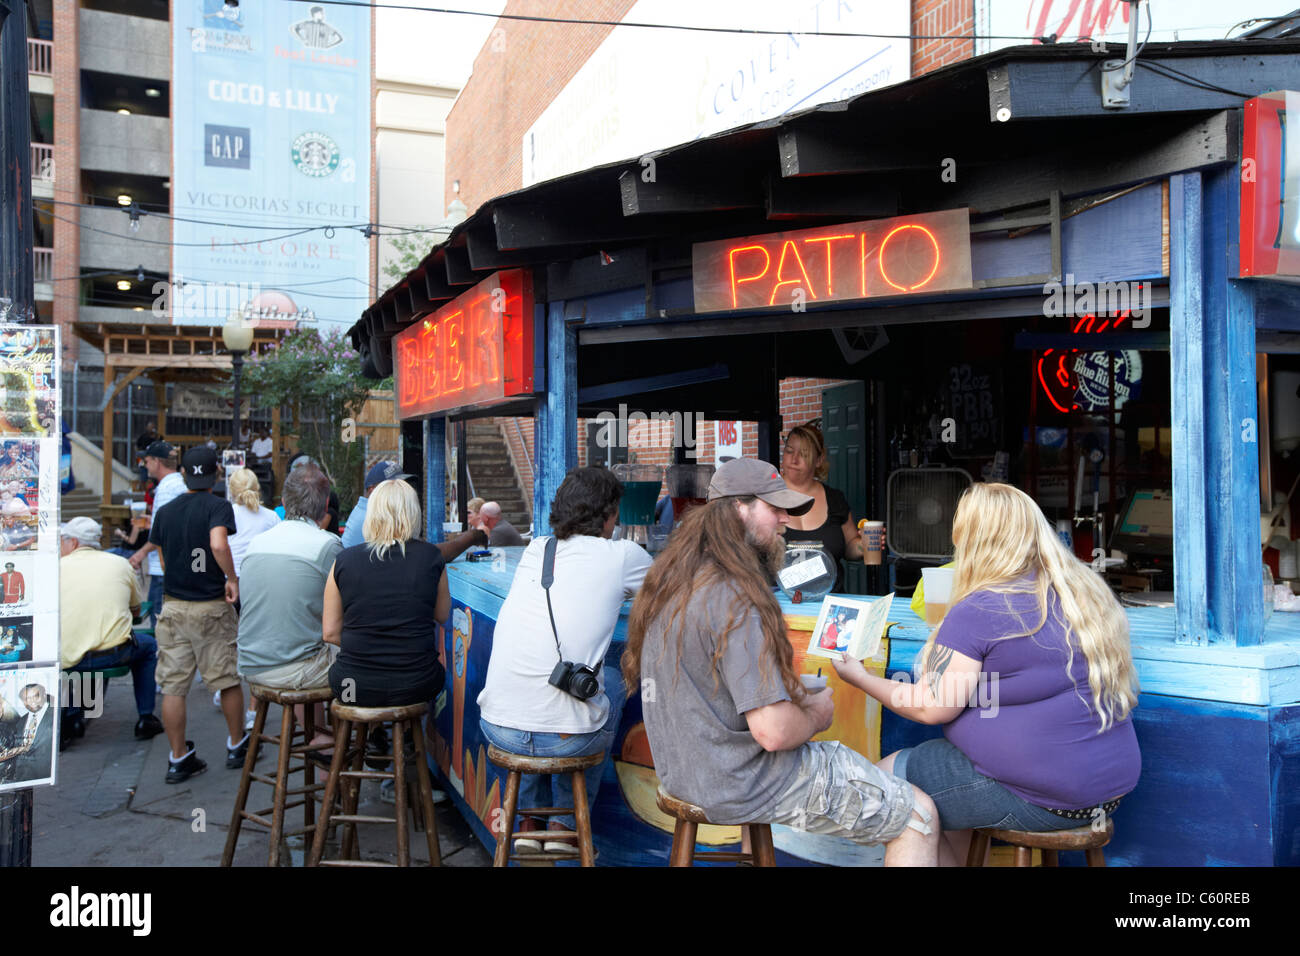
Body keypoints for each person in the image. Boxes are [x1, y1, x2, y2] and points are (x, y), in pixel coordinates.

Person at [624, 458, 939, 866]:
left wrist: (790, 694)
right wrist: (815, 715)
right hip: (740, 781)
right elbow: (772, 732)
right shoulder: (735, 596)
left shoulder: (673, 579)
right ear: (738, 508)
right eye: (775, 509)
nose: (785, 521)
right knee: (917, 816)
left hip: (684, 776)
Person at [830, 482, 1143, 867]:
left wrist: (859, 677)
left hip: (1041, 797)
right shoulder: (1080, 593)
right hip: (1106, 792)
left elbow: (931, 707)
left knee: (883, 788)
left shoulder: (981, 609)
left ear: (971, 540)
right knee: (944, 774)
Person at [479, 467, 651, 853]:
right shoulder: (624, 556)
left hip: (498, 729)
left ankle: (529, 822)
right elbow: (677, 591)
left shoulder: (538, 550)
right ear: (609, 514)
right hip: (565, 742)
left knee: (538, 685)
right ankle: (565, 825)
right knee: (612, 680)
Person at [148, 445, 247, 784]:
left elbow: (162, 556)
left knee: (173, 686)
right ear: (216, 473)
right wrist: (231, 578)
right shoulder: (218, 506)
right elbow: (218, 544)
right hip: (211, 606)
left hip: (174, 606)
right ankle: (237, 745)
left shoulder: (166, 511)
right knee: (226, 678)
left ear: (184, 474)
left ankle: (178, 758)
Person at [236, 464, 340, 752]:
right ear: (325, 507)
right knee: (361, 661)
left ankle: (318, 736)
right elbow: (349, 610)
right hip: (293, 669)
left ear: (283, 502)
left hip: (252, 665)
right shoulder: (328, 545)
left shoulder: (257, 543)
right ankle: (336, 748)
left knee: (311, 644)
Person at [324, 480, 450, 708]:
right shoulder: (431, 557)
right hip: (419, 684)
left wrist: (366, 645)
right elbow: (442, 615)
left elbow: (330, 633)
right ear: (413, 513)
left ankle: (368, 728)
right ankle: (410, 730)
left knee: (351, 690)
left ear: (372, 514)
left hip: (352, 687)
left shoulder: (344, 560)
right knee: (429, 682)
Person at [58, 516, 163, 742]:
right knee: (148, 646)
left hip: (68, 658)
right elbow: (136, 610)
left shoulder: (56, 568)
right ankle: (146, 717)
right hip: (114, 654)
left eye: (62, 541)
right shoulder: (120, 564)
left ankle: (74, 716)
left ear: (73, 542)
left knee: (82, 646)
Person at [780, 424, 864, 594]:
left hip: (830, 602)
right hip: (778, 603)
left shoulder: (835, 499)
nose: (794, 459)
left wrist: (864, 545)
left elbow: (849, 547)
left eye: (804, 454)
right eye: (789, 451)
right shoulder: (766, 498)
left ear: (819, 460)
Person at [130, 440, 184, 629]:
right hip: (171, 565)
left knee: (160, 628)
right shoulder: (177, 484)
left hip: (163, 568)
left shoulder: (167, 489)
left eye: (146, 461)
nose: (145, 466)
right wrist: (151, 521)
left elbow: (164, 530)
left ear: (157, 461)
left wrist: (140, 554)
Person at [341, 461, 410, 548]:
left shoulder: (371, 511)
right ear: (372, 489)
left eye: (401, 485)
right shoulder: (369, 517)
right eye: (392, 486)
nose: (400, 490)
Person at [226, 468, 280, 576]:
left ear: (231, 491)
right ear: (257, 488)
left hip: (231, 574)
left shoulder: (225, 514)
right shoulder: (272, 516)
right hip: (261, 575)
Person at [0, 683, 55, 785]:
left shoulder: (55, 716)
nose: (32, 701)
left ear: (44, 695)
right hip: (21, 778)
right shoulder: (20, 722)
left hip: (47, 778)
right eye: (27, 698)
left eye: (36, 696)